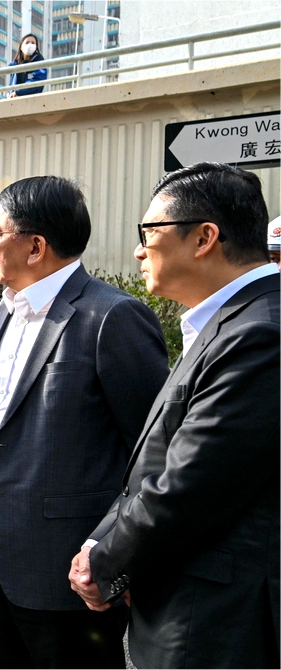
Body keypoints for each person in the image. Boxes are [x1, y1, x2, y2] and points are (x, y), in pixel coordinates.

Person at [0, 176, 170, 668]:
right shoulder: (5, 313)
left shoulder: (111, 317)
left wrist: (113, 551)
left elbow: (153, 453)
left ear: (35, 247)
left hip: (68, 569)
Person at [69, 162, 281, 668]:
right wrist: (99, 542)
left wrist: (105, 564)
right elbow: (154, 463)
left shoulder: (260, 333)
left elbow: (190, 487)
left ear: (205, 237)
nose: (139, 250)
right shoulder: (224, 323)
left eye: (149, 233)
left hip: (211, 622)